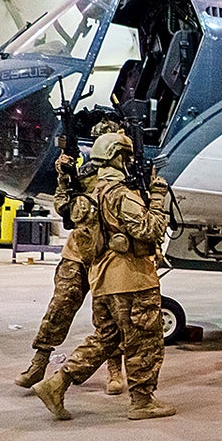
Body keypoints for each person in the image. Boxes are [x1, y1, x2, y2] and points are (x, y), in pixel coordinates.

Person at [32, 132, 175, 421]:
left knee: (106, 337)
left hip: (102, 281)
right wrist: (158, 198)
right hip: (132, 280)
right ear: (118, 158)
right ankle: (142, 401)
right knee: (144, 340)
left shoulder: (91, 193)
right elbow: (150, 229)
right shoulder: (121, 194)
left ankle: (57, 382)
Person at [15, 120, 126, 394]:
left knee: (111, 317)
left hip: (109, 254)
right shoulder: (83, 171)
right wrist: (65, 176)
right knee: (60, 306)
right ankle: (39, 362)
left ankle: (115, 369)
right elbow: (63, 206)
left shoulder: (127, 174)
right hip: (78, 250)